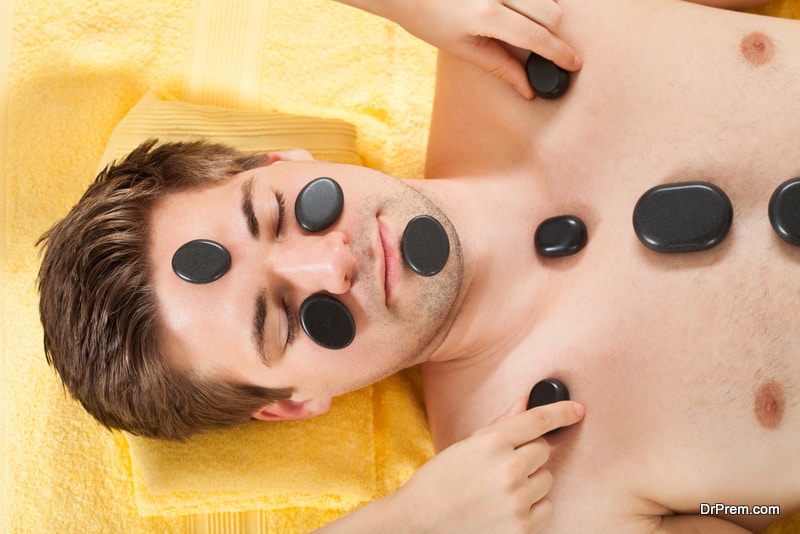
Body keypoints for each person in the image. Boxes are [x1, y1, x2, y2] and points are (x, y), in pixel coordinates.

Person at [36, 0, 800, 531]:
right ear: (293, 402)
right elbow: (764, 519)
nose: (332, 262)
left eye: (277, 212)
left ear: (283, 160)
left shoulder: (521, 21)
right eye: (283, 318)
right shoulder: (548, 500)